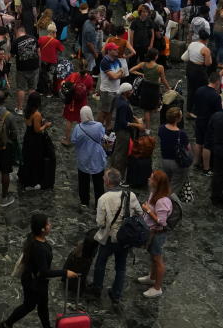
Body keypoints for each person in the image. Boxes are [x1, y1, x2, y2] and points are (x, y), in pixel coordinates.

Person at [0, 213, 78, 328]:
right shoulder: (39, 248)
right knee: (33, 306)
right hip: (35, 284)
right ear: (42, 229)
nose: (50, 225)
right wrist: (65, 272)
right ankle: (7, 324)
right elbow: (45, 272)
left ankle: (7, 324)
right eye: (48, 224)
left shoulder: (34, 237)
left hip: (33, 279)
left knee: (38, 307)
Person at [90, 168, 142, 304]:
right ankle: (116, 294)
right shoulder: (131, 195)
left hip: (109, 237)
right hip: (125, 237)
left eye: (104, 178)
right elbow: (140, 212)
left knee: (101, 262)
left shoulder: (103, 199)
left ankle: (97, 288)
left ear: (108, 182)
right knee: (121, 267)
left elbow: (100, 223)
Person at [137, 170, 173, 298]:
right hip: (150, 231)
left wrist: (148, 210)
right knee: (152, 256)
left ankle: (157, 288)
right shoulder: (154, 194)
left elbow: (161, 222)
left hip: (158, 234)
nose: (149, 179)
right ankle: (152, 277)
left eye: (152, 178)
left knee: (158, 260)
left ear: (157, 183)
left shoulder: (162, 201)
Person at [71, 105, 107, 207]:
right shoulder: (99, 126)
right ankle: (98, 204)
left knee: (83, 182)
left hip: (83, 159)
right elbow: (102, 138)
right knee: (98, 183)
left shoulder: (78, 128)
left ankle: (84, 202)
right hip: (97, 158)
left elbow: (73, 140)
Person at [18, 92, 54, 191]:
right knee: (35, 159)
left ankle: (24, 178)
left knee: (27, 158)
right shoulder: (36, 114)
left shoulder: (27, 110)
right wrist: (46, 125)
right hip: (35, 140)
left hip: (27, 137)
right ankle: (32, 182)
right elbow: (37, 130)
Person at [129, 48, 170, 129]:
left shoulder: (143, 64)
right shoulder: (160, 67)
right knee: (151, 108)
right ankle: (147, 129)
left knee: (147, 109)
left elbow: (131, 70)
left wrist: (141, 74)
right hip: (155, 89)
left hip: (145, 88)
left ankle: (144, 120)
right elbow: (163, 79)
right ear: (155, 56)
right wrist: (168, 88)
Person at [109, 83, 144, 174]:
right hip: (123, 132)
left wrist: (135, 118)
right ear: (125, 92)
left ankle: (112, 167)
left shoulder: (118, 98)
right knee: (122, 153)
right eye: (130, 91)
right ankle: (118, 173)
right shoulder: (124, 104)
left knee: (116, 150)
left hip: (118, 129)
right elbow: (123, 122)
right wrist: (136, 125)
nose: (132, 92)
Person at [60, 59, 95, 144]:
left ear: (78, 67)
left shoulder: (73, 75)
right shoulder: (89, 79)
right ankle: (81, 140)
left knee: (69, 121)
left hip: (72, 103)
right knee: (82, 122)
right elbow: (89, 92)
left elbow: (63, 83)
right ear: (87, 67)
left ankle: (67, 140)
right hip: (82, 103)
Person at [158, 107, 191, 194]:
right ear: (178, 118)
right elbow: (188, 148)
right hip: (177, 163)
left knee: (167, 183)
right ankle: (167, 204)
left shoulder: (161, 129)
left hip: (165, 160)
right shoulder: (182, 134)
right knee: (174, 188)